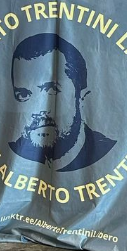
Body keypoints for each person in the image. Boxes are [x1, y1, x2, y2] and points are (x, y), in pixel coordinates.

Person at [9, 33, 115, 171]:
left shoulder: (109, 157)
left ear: (81, 97)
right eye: (23, 94)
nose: (38, 110)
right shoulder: (7, 158)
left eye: (51, 89)